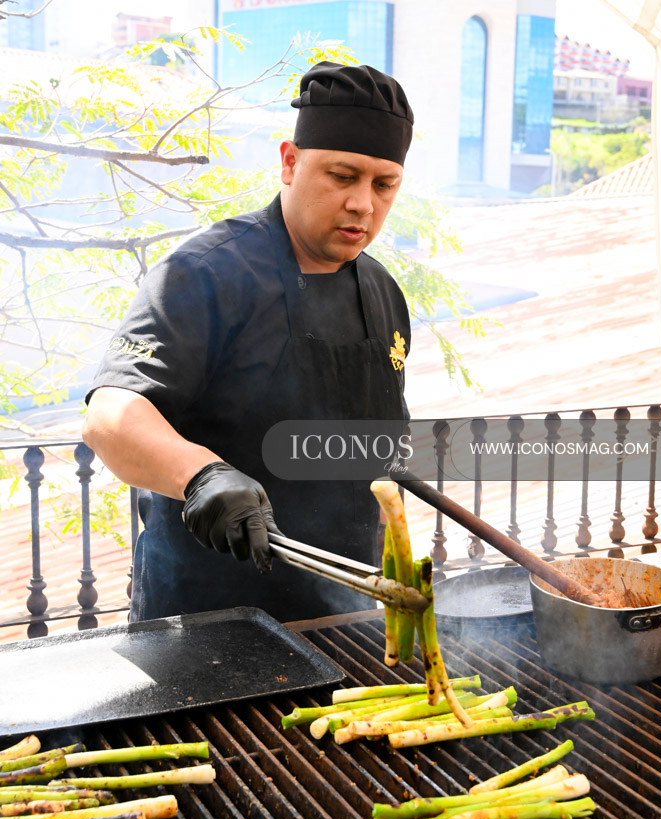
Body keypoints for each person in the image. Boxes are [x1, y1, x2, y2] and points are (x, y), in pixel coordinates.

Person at [83, 61, 414, 622]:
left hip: (342, 615)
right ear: (289, 162)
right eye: (343, 176)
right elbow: (109, 415)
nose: (364, 203)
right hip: (205, 623)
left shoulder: (383, 291)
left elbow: (383, 443)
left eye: (384, 185)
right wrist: (201, 474)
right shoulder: (204, 273)